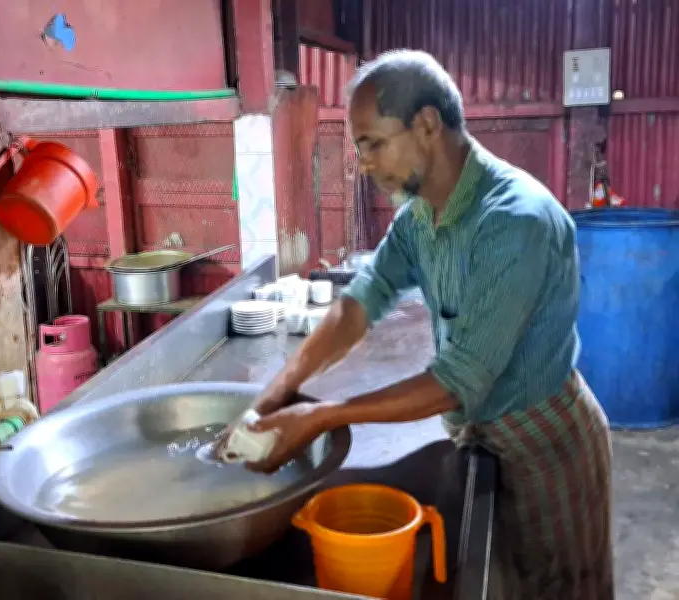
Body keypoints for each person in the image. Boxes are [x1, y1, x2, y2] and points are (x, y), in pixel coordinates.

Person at [221, 50, 615, 599]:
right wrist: (275, 394)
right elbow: (360, 302)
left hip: (544, 443)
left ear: (427, 124)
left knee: (562, 589)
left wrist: (320, 416)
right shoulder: (420, 218)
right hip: (479, 433)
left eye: (373, 143)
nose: (363, 162)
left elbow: (460, 378)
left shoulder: (514, 223)